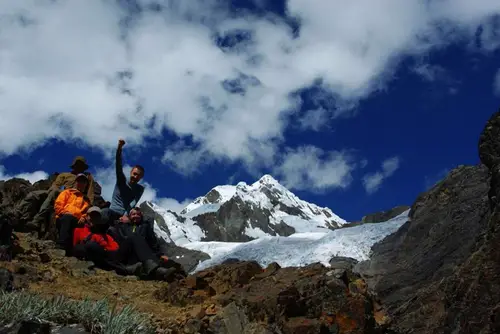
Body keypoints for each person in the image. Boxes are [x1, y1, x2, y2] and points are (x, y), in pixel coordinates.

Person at [73, 206, 176, 280]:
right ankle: (132, 269)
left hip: (116, 254)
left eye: (96, 217)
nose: (94, 219)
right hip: (100, 254)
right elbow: (75, 247)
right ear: (86, 217)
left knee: (134, 237)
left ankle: (153, 267)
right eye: (91, 216)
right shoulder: (79, 230)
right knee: (91, 245)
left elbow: (116, 245)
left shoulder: (105, 232)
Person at [109, 207, 185, 277]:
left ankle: (175, 272)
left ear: (141, 216)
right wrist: (122, 223)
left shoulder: (145, 227)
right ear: (129, 216)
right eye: (133, 214)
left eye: (138, 214)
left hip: (140, 255)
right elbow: (116, 234)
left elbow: (153, 243)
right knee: (135, 237)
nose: (136, 216)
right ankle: (157, 269)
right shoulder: (123, 226)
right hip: (126, 253)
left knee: (163, 260)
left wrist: (160, 254)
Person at [28, 156, 96, 231]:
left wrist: (90, 204)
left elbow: (90, 191)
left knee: (53, 193)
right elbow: (55, 186)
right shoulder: (64, 175)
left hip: (78, 197)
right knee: (33, 194)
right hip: (63, 194)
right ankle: (20, 214)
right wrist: (59, 192)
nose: (79, 167)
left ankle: (37, 220)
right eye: (77, 164)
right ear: (74, 165)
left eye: (81, 165)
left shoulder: (87, 177)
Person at [101, 139, 145, 225]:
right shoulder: (122, 180)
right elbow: (118, 165)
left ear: (141, 178)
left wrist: (125, 216)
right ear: (131, 172)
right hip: (112, 211)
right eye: (134, 174)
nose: (135, 177)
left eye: (138, 176)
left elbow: (132, 204)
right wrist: (119, 148)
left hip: (125, 215)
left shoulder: (140, 189)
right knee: (105, 212)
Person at [54, 173, 91, 254]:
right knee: (67, 218)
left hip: (77, 220)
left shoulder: (86, 200)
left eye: (83, 182)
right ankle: (62, 245)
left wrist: (83, 217)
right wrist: (64, 212)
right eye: (79, 181)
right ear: (76, 182)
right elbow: (58, 205)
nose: (81, 183)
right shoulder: (67, 192)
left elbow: (86, 213)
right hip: (63, 217)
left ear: (85, 185)